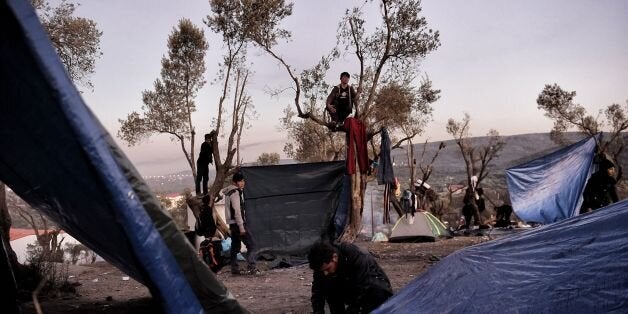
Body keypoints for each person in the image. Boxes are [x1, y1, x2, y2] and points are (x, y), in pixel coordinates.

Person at [308, 241, 393, 314]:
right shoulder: (321, 265)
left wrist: (353, 309)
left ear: (334, 257)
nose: (325, 273)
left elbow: (364, 285)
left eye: (327, 269)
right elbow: (317, 293)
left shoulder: (356, 256)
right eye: (322, 271)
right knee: (329, 288)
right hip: (349, 286)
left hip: (373, 287)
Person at [222, 173, 259, 275]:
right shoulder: (234, 192)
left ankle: (234, 269)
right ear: (234, 182)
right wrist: (241, 227)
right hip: (238, 224)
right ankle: (252, 267)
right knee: (252, 246)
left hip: (232, 225)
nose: (242, 183)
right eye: (240, 181)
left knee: (235, 247)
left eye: (243, 181)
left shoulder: (229, 192)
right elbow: (237, 211)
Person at [195, 132, 214, 196]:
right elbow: (206, 153)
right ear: (206, 139)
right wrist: (210, 146)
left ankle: (205, 192)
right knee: (199, 178)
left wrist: (211, 160)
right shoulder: (204, 144)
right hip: (201, 163)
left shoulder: (209, 145)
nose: (209, 140)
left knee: (206, 178)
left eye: (210, 139)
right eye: (208, 139)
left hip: (205, 164)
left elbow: (210, 154)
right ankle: (198, 192)